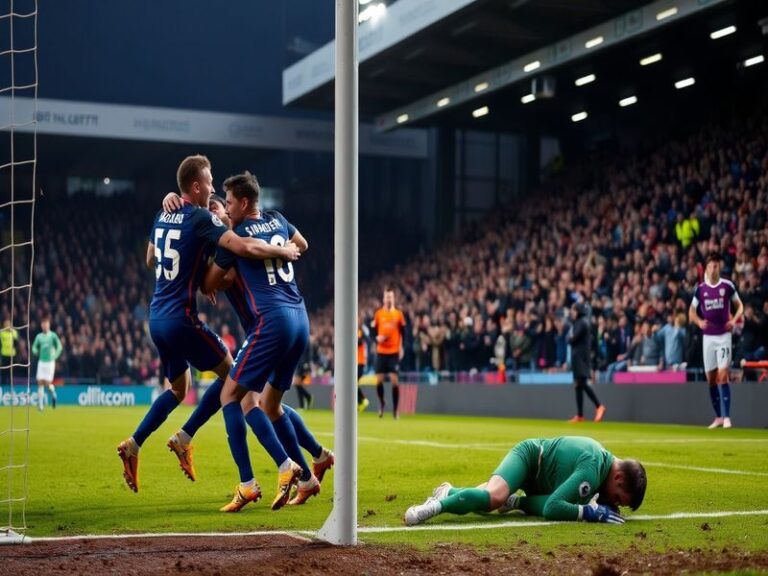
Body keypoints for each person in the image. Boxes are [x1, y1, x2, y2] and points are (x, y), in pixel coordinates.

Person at [117, 155, 299, 493]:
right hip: (181, 319)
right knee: (235, 379)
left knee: (178, 388)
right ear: (196, 186)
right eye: (210, 182)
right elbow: (241, 245)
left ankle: (134, 443)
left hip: (156, 318)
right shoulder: (201, 218)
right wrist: (283, 252)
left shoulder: (162, 213)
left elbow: (150, 258)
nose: (214, 188)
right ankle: (194, 442)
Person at [202, 171, 320, 512]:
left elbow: (210, 282)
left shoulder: (236, 236)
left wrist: (213, 254)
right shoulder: (278, 220)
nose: (225, 206)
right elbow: (304, 244)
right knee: (270, 405)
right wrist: (281, 250)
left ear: (242, 202)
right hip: (300, 319)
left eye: (227, 201)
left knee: (233, 397)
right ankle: (310, 479)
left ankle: (258, 479)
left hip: (271, 323)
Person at [404, 436, 646, 526]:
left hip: (540, 483)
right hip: (529, 458)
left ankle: (449, 491)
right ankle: (435, 506)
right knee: (494, 498)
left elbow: (553, 503)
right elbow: (553, 508)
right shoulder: (593, 470)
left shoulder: (606, 467)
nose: (610, 503)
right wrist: (590, 513)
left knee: (498, 503)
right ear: (618, 477)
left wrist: (519, 503)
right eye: (616, 498)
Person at [689, 252, 743, 429]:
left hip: (723, 336)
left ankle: (727, 417)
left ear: (719, 267)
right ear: (706, 268)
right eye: (711, 266)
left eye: (716, 265)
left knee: (723, 375)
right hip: (708, 338)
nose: (713, 269)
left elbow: (740, 306)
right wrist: (698, 321)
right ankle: (718, 417)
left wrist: (734, 320)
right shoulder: (701, 289)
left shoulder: (727, 286)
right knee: (711, 379)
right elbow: (691, 311)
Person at [567, 303, 605, 423]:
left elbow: (571, 339)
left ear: (578, 311)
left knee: (582, 383)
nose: (571, 312)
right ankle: (580, 415)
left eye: (573, 310)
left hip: (580, 358)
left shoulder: (582, 323)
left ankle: (599, 406)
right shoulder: (579, 322)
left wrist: (570, 337)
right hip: (577, 357)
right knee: (578, 385)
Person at [372, 288, 406, 418]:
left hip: (393, 351)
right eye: (387, 297)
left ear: (394, 298)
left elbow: (404, 332)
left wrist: (401, 347)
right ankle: (382, 403)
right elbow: (374, 332)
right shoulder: (378, 314)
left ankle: (396, 410)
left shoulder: (398, 314)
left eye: (391, 297)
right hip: (381, 351)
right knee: (379, 380)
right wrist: (377, 339)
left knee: (394, 380)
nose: (389, 299)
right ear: (383, 299)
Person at [31, 316, 63, 411]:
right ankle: (40, 405)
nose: (45, 326)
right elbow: (34, 347)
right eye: (43, 325)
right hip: (41, 362)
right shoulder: (39, 337)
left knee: (47, 383)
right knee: (40, 382)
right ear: (41, 326)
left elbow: (59, 347)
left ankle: (53, 394)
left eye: (46, 324)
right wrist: (35, 351)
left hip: (50, 362)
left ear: (49, 325)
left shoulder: (53, 336)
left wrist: (55, 356)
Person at [1, 318, 19, 388]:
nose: (7, 325)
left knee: (12, 373)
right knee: (4, 372)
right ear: (4, 325)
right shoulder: (1, 333)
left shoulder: (14, 332)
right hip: (4, 354)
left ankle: (11, 387)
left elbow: (16, 343)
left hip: (12, 355)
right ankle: (3, 387)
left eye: (9, 324)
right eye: (6, 324)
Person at [357, 313, 370, 412]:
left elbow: (360, 341)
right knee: (353, 383)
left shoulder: (361, 331)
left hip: (360, 362)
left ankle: (363, 400)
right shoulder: (359, 331)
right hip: (356, 362)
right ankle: (361, 402)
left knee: (352, 383)